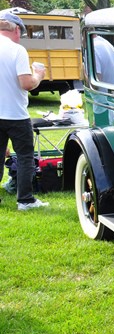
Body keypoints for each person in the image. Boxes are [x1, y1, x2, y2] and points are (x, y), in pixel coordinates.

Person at [0, 11, 49, 210]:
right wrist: (38, 74)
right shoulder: (17, 50)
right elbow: (26, 84)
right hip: (16, 114)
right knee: (25, 156)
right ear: (16, 30)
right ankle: (26, 200)